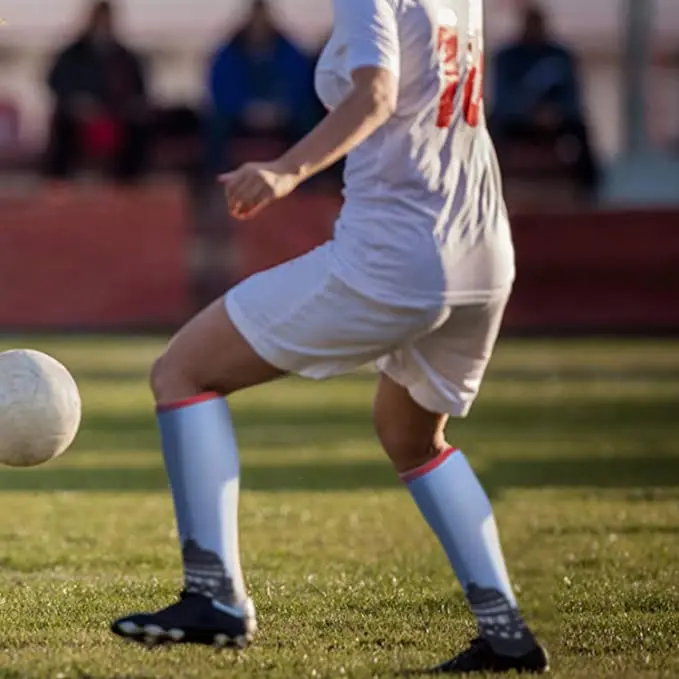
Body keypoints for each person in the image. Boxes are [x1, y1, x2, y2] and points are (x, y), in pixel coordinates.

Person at [110, 0, 549, 674]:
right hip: (482, 253)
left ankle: (213, 595)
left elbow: (375, 94)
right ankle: (505, 635)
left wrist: (286, 169)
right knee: (409, 435)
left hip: (397, 255)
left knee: (182, 370)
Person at [489, 3, 600, 198]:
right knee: (489, 131)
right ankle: (490, 186)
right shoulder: (507, 57)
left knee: (581, 130)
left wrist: (555, 113)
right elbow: (502, 98)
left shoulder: (560, 56)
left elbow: (572, 96)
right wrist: (529, 113)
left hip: (555, 121)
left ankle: (589, 192)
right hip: (518, 121)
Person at [205, 0, 321, 174]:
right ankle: (217, 176)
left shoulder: (288, 50)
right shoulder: (229, 51)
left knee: (310, 121)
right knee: (215, 124)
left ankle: (310, 174)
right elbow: (220, 88)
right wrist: (246, 109)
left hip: (282, 114)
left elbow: (300, 84)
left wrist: (279, 108)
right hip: (239, 115)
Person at [44, 1, 150, 183]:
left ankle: (129, 183)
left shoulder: (125, 56)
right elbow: (56, 83)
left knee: (139, 127)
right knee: (63, 127)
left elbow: (139, 90)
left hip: (116, 116)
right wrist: (78, 104)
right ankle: (57, 182)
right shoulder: (72, 54)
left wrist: (123, 107)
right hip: (78, 117)